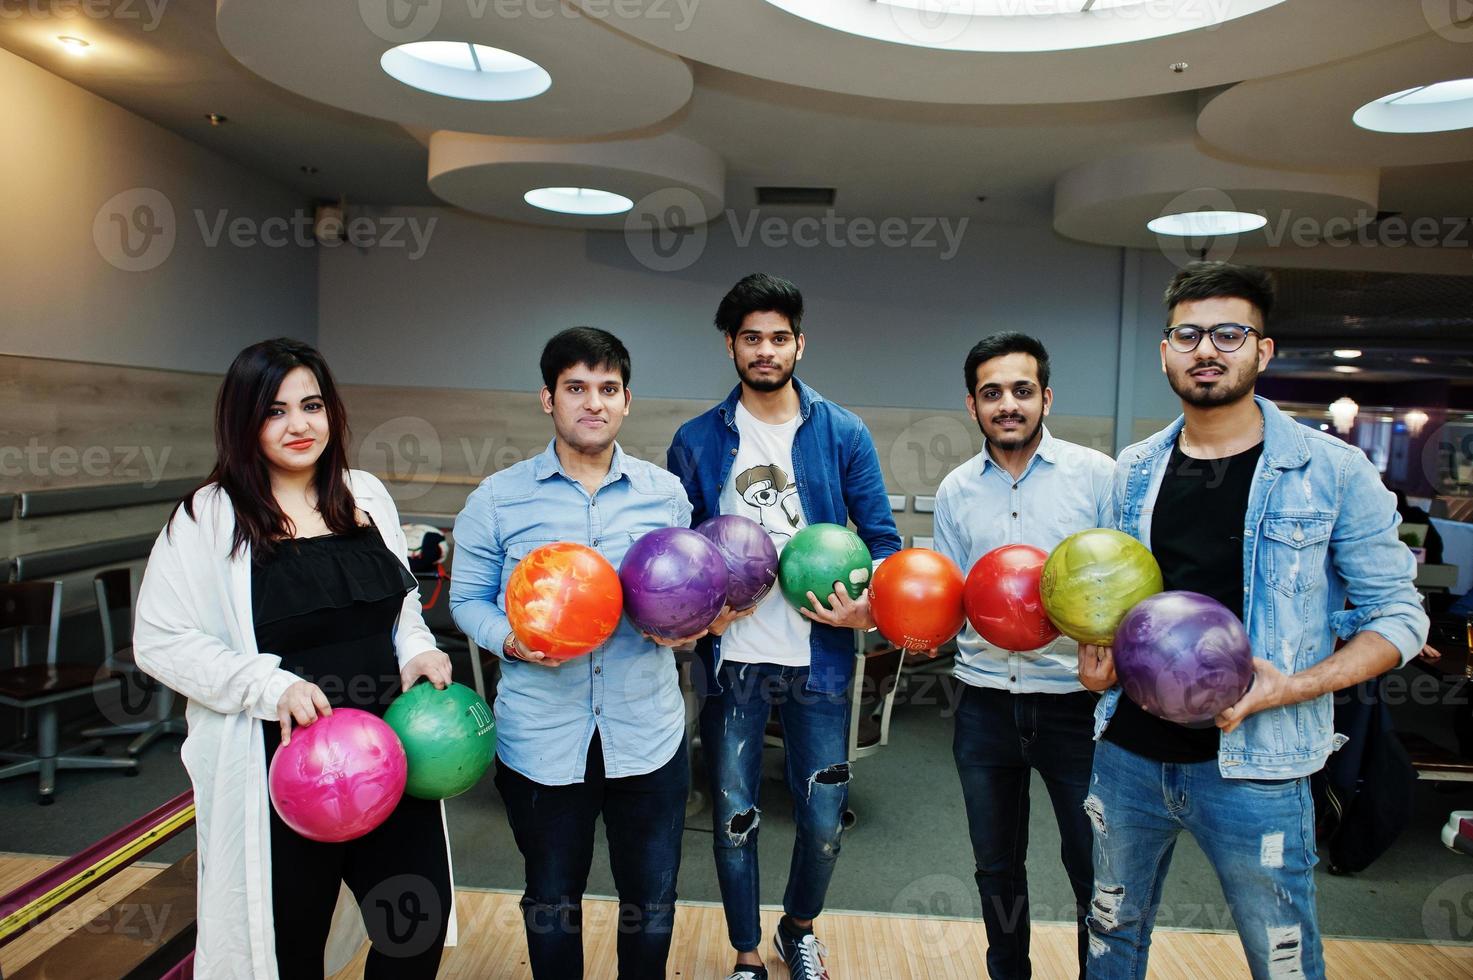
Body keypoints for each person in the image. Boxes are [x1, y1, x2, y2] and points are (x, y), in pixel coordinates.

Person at [1078, 262, 1429, 979]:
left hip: (1257, 768)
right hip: (1127, 759)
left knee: (1282, 958)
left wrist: (1289, 687)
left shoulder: (1330, 470)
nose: (1206, 349)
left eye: (1228, 333)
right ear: (1165, 350)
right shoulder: (1133, 471)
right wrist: (1099, 653)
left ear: (1261, 351)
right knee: (1109, 936)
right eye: (1187, 334)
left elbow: (1399, 617)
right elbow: (1117, 607)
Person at [134, 338, 457, 980]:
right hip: (281, 771)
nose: (299, 425)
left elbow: (400, 606)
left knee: (414, 930)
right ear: (242, 421)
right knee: (288, 951)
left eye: (311, 405)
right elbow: (160, 639)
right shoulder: (209, 516)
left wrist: (418, 649)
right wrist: (266, 684)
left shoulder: (362, 493)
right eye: (275, 410)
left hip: (387, 758)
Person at [666, 273, 902, 980]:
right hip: (730, 658)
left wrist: (870, 609)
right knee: (735, 817)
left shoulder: (841, 432)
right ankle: (744, 954)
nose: (764, 351)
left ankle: (796, 929)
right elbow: (674, 551)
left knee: (824, 819)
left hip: (818, 658)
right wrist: (691, 620)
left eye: (777, 338)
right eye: (750, 339)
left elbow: (884, 541)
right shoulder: (697, 440)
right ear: (731, 346)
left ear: (799, 342)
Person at [450, 327, 697, 980]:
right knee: (551, 900)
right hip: (541, 735)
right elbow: (467, 599)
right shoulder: (497, 499)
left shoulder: (665, 495)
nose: (593, 402)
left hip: (646, 731)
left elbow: (684, 589)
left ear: (626, 401)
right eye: (576, 388)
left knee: (650, 900)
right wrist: (509, 638)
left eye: (608, 389)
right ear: (547, 399)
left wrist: (687, 627)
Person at [931, 332, 1113, 979]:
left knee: (1092, 866)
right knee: (995, 867)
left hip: (1076, 707)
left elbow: (1124, 587)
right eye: (991, 393)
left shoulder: (1096, 477)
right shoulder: (955, 490)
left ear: (1045, 397)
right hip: (982, 704)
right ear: (972, 404)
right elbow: (947, 594)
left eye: (1020, 390)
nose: (1006, 404)